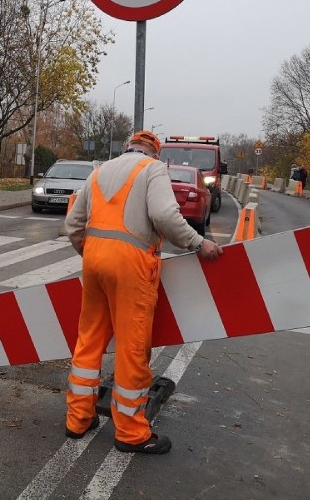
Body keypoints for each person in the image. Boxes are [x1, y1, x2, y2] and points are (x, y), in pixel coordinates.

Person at [62, 130, 224, 455]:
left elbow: (72, 225)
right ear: (155, 153)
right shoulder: (152, 170)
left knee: (89, 338)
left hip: (93, 261)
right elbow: (164, 215)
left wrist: (95, 254)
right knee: (133, 346)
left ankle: (78, 419)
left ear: (126, 149)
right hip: (131, 264)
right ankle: (131, 433)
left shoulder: (98, 172)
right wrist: (197, 242)